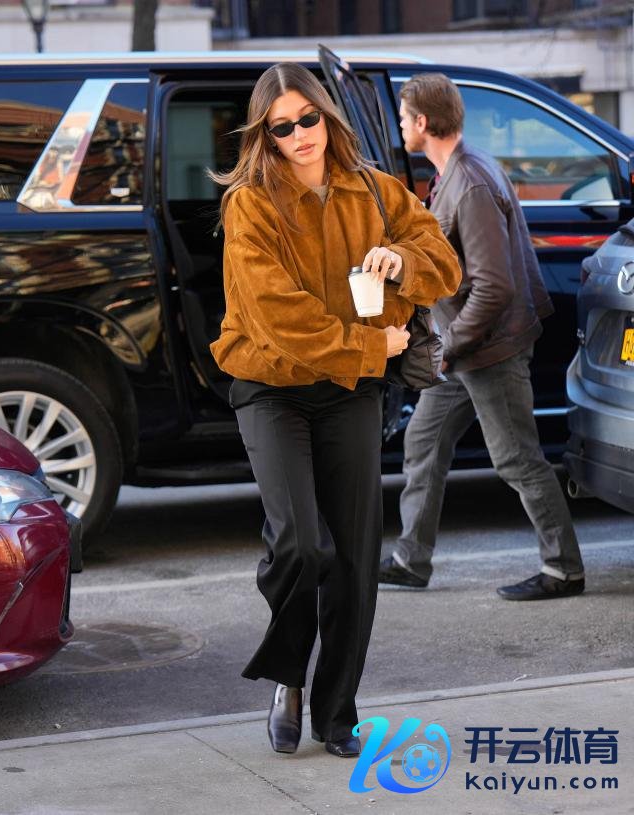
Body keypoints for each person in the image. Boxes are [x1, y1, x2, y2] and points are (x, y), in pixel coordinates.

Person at [209, 63, 460, 758]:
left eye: (307, 118)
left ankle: (338, 710)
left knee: (353, 557)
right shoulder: (251, 205)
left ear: (327, 116)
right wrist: (372, 343)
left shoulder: (374, 189)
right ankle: (288, 677)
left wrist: (400, 260)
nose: (299, 135)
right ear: (265, 136)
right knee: (300, 543)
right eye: (281, 127)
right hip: (272, 385)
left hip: (351, 390)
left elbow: (443, 261)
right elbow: (279, 318)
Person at [378, 73, 585, 601]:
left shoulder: (469, 183)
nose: (400, 126)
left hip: (489, 349)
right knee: (423, 442)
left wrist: (447, 348)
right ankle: (410, 561)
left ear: (423, 121)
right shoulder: (454, 171)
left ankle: (563, 569)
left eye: (402, 117)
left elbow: (494, 287)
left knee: (517, 458)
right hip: (463, 349)